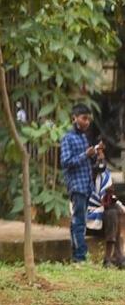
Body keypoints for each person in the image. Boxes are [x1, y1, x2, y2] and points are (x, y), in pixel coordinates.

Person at [61, 103, 102, 264]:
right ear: (74, 118)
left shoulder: (83, 137)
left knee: (78, 221)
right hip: (76, 186)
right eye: (84, 118)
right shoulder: (67, 138)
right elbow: (65, 162)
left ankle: (76, 255)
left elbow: (87, 162)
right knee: (79, 221)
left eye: (88, 119)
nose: (87, 122)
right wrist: (86, 154)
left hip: (86, 186)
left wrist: (94, 154)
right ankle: (80, 257)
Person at [87, 148, 125, 268]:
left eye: (102, 156)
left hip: (105, 219)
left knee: (115, 211)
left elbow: (109, 200)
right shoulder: (84, 177)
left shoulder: (105, 176)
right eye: (98, 156)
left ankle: (115, 256)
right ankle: (112, 256)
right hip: (88, 218)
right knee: (112, 213)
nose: (100, 160)